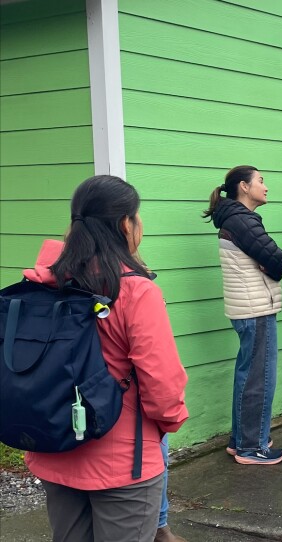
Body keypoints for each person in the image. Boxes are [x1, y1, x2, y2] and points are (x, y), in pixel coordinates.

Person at [23, 175, 188, 542]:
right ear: (125, 224)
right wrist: (169, 423)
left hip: (54, 447)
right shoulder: (134, 291)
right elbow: (162, 383)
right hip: (121, 460)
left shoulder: (46, 283)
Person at [203, 166, 282, 465]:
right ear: (244, 186)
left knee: (248, 373)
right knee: (259, 378)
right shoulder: (243, 220)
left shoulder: (235, 218)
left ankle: (241, 440)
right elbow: (278, 260)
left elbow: (269, 260)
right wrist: (273, 266)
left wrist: (270, 265)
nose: (265, 186)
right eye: (261, 181)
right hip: (255, 309)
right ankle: (252, 447)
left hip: (248, 308)